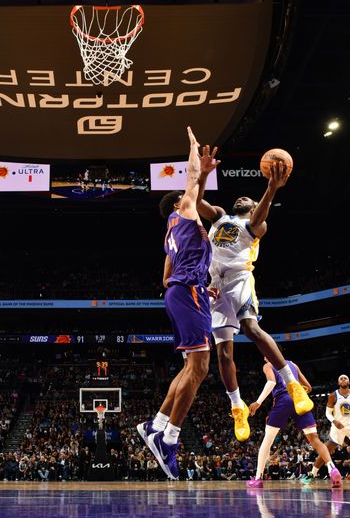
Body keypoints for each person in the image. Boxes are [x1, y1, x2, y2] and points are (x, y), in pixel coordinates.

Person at [195, 156, 313, 442]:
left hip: (239, 281)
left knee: (251, 328)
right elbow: (198, 203)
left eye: (248, 199)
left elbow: (260, 215)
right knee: (223, 353)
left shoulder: (256, 226)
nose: (242, 197)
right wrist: (203, 176)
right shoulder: (220, 216)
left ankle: (291, 382)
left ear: (251, 209)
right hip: (215, 287)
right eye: (243, 197)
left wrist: (271, 189)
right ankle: (237, 406)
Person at [136, 127, 217, 480]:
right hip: (187, 293)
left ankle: (155, 425)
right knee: (200, 368)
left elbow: (166, 276)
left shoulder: (171, 233)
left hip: (182, 293)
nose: (196, 200)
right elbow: (191, 181)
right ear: (178, 205)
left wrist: (197, 285)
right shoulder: (183, 213)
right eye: (189, 198)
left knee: (190, 368)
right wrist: (195, 156)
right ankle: (168, 438)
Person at [247, 358, 342, 489]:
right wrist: (296, 392)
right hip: (299, 400)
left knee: (268, 440)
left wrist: (258, 402)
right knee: (315, 439)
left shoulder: (268, 364)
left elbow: (271, 382)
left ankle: (258, 478)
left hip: (283, 400)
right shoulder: (293, 364)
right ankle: (332, 468)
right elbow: (308, 387)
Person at [310, 375, 350, 483]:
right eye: (341, 378)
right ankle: (312, 474)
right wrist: (334, 421)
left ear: (349, 382)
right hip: (337, 427)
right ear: (338, 382)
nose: (343, 379)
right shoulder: (333, 395)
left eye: (345, 378)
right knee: (325, 451)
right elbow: (327, 413)